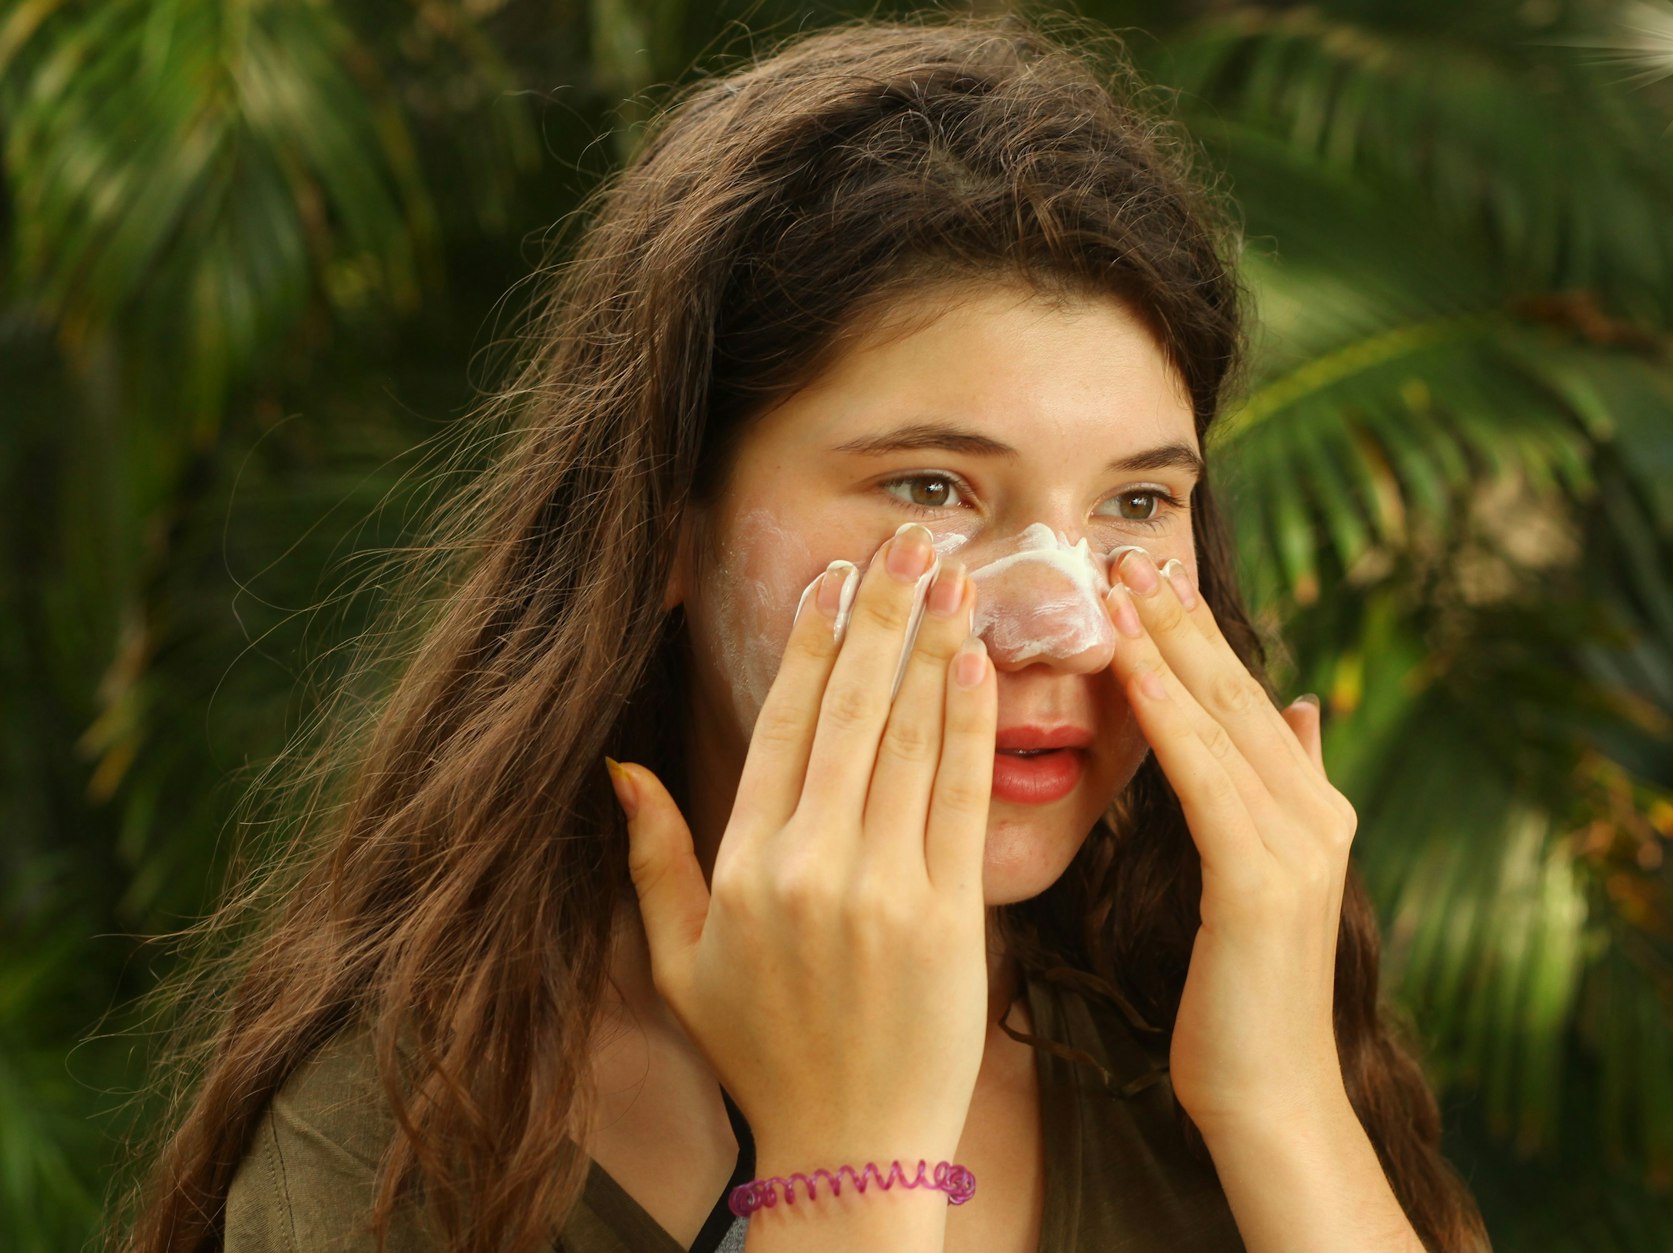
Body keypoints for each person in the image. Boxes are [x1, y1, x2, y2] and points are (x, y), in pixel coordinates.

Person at [125, 14, 1491, 1253]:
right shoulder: (411, 1131)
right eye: (932, 488)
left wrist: (1283, 1106)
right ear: (667, 525)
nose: (1065, 623)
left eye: (1137, 502)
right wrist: (847, 1175)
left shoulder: (1192, 1044)